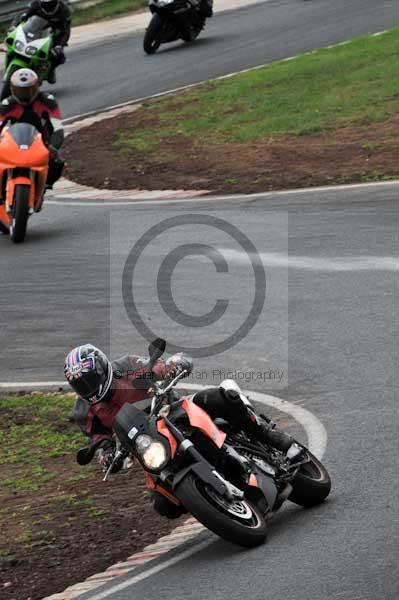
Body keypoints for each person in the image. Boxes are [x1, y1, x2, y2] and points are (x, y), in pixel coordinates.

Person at [65, 344, 302, 518]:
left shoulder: (125, 369)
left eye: (91, 379)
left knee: (221, 399)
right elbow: (100, 439)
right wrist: (107, 456)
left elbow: (156, 369)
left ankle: (272, 438)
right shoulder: (85, 411)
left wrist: (172, 366)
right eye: (81, 384)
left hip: (173, 412)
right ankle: (213, 502)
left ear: (103, 368)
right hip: (149, 442)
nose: (89, 387)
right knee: (164, 505)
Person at [0, 68, 65, 196]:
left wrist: (52, 146)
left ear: (36, 88)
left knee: (58, 161)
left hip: (41, 142)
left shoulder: (47, 101)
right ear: (12, 90)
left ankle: (46, 184)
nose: (25, 95)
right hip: (14, 141)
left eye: (28, 90)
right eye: (20, 91)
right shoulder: (7, 104)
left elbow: (58, 127)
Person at [13, 0, 71, 84]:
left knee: (59, 57)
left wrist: (59, 45)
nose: (47, 6)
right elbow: (23, 15)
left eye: (49, 4)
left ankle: (50, 71)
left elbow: (65, 31)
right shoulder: (35, 4)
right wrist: (15, 25)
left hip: (54, 34)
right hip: (34, 30)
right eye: (45, 4)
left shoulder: (64, 10)